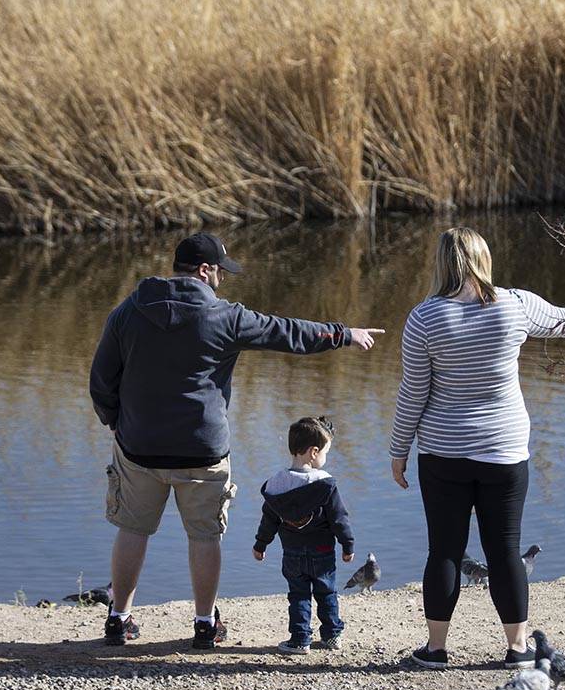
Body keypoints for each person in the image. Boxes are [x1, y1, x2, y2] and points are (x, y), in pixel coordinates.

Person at [89, 232, 382, 649]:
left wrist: (114, 421)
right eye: (221, 272)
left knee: (133, 529)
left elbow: (101, 379)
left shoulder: (128, 311)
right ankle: (205, 625)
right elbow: (287, 332)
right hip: (202, 450)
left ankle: (118, 620)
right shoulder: (225, 317)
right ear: (205, 271)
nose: (223, 280)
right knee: (204, 536)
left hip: (139, 447)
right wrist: (343, 334)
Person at [388, 227, 565, 670]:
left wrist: (398, 452)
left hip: (443, 453)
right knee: (505, 550)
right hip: (504, 452)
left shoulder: (424, 318)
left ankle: (435, 650)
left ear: (442, 264)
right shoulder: (514, 306)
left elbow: (413, 392)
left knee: (445, 550)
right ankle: (517, 649)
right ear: (483, 259)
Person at [253, 416, 355, 655]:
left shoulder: (276, 485)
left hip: (292, 553)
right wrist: (347, 545)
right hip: (322, 552)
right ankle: (331, 635)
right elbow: (339, 518)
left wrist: (261, 544)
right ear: (313, 452)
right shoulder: (325, 485)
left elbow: (268, 520)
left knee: (298, 595)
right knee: (326, 592)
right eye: (326, 452)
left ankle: (300, 639)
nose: (326, 458)